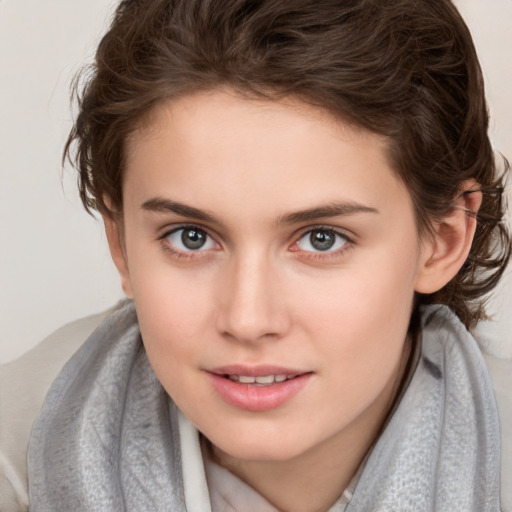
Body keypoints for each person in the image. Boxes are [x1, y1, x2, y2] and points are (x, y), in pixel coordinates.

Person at [16, 0, 512, 510]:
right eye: (190, 237)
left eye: (322, 238)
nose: (248, 320)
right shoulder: (17, 458)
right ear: (120, 243)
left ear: (443, 240)